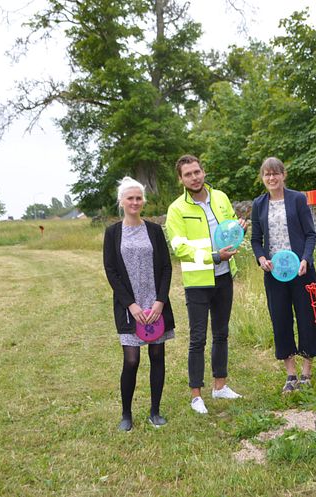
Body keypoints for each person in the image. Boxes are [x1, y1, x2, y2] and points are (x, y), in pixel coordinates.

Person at [166, 155, 246, 414]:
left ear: (203, 171)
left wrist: (239, 228)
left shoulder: (220, 197)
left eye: (197, 171)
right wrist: (213, 257)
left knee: (221, 333)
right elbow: (179, 248)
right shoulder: (176, 209)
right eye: (188, 174)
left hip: (224, 276)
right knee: (198, 338)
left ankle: (220, 386)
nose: (194, 177)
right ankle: (196, 395)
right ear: (181, 179)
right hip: (198, 280)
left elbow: (231, 227)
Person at [103, 177, 175, 430]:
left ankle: (155, 411)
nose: (135, 202)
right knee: (131, 360)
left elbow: (166, 267)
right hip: (129, 307)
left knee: (157, 355)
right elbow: (111, 271)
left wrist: (159, 302)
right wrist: (131, 305)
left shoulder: (155, 230)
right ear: (121, 201)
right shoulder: (112, 233)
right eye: (130, 198)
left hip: (155, 303)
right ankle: (126, 414)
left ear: (143, 200)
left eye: (138, 198)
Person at [250, 157, 316, 393]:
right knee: (280, 320)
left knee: (306, 318)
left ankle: (306, 373)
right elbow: (255, 240)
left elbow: (310, 234)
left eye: (275, 173)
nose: (271, 178)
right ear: (263, 178)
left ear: (283, 175)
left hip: (301, 271)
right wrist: (261, 258)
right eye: (267, 174)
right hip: (275, 274)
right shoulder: (259, 205)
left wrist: (305, 259)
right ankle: (290, 374)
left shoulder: (298, 199)